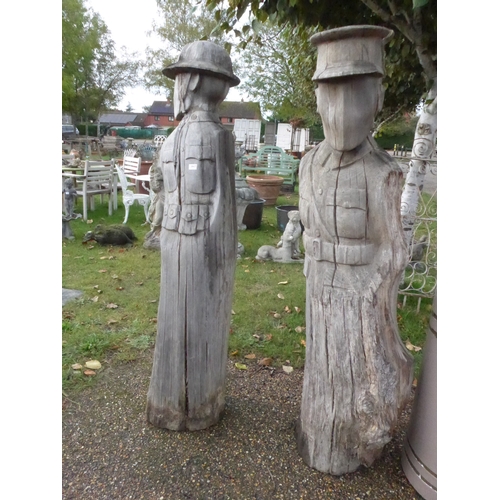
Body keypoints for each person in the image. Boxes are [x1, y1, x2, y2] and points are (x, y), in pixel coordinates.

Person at [296, 26, 414, 475]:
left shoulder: (381, 172)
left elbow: (393, 251)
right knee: (320, 375)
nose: (343, 108)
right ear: (318, 99)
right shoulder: (308, 165)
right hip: (318, 290)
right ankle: (316, 432)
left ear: (377, 99)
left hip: (357, 299)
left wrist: (371, 297)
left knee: (352, 384)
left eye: (357, 92)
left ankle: (351, 442)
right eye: (331, 92)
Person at [146, 40, 240, 431]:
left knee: (190, 322)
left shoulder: (198, 138)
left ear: (192, 80)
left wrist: (216, 248)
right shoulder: (196, 138)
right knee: (176, 322)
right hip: (182, 242)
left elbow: (223, 204)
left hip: (192, 243)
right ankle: (178, 400)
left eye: (180, 76)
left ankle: (193, 400)